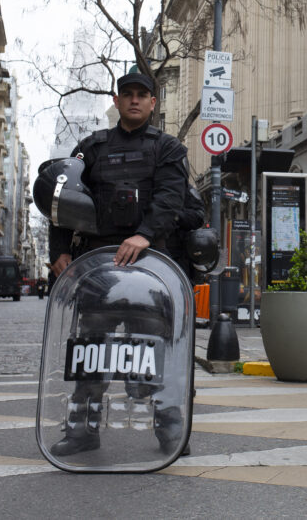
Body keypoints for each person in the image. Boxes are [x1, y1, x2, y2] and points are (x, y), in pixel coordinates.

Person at [45, 72, 191, 457]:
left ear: (153, 102)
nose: (135, 101)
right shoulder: (90, 148)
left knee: (156, 349)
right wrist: (58, 251)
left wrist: (144, 234)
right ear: (117, 100)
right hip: (98, 265)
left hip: (149, 264)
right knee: (89, 349)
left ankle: (171, 429)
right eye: (127, 95)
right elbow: (62, 197)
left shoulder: (169, 148)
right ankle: (81, 429)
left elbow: (171, 199)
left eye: (143, 95)